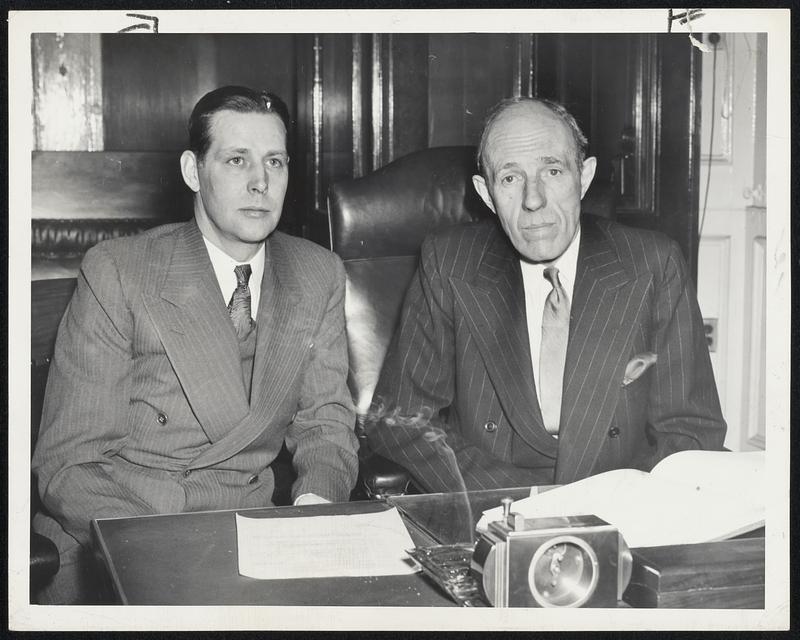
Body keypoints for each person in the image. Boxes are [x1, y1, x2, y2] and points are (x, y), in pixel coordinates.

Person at [32, 86, 359, 603]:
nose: (260, 182)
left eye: (275, 161)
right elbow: (68, 464)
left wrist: (312, 512)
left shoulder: (317, 272)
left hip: (251, 535)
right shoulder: (120, 270)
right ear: (193, 171)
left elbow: (325, 424)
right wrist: (164, 544)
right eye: (236, 160)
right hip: (126, 535)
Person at [366, 96, 726, 494]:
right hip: (496, 505)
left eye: (552, 171)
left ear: (584, 177)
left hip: (619, 508)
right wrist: (524, 501)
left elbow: (689, 429)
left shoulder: (653, 265)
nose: (533, 200)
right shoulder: (449, 264)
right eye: (510, 178)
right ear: (486, 194)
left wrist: (621, 504)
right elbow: (399, 420)